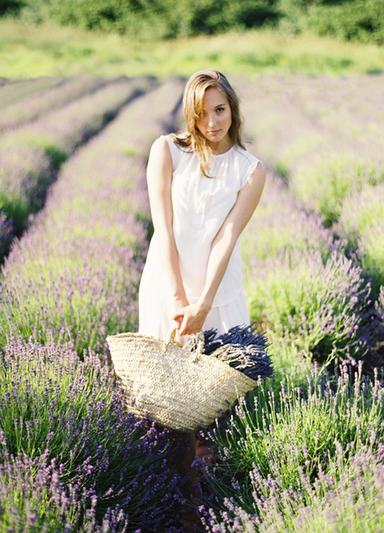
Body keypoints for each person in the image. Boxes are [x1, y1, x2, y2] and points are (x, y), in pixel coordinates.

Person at [137, 68, 266, 527]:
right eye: (203, 112)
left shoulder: (251, 170)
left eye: (220, 110)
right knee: (168, 395)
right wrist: (177, 297)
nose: (213, 122)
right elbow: (163, 226)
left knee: (218, 395)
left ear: (233, 109)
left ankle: (215, 492)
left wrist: (203, 304)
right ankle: (171, 492)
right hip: (166, 282)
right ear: (189, 114)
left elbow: (226, 239)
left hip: (218, 289)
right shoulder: (167, 151)